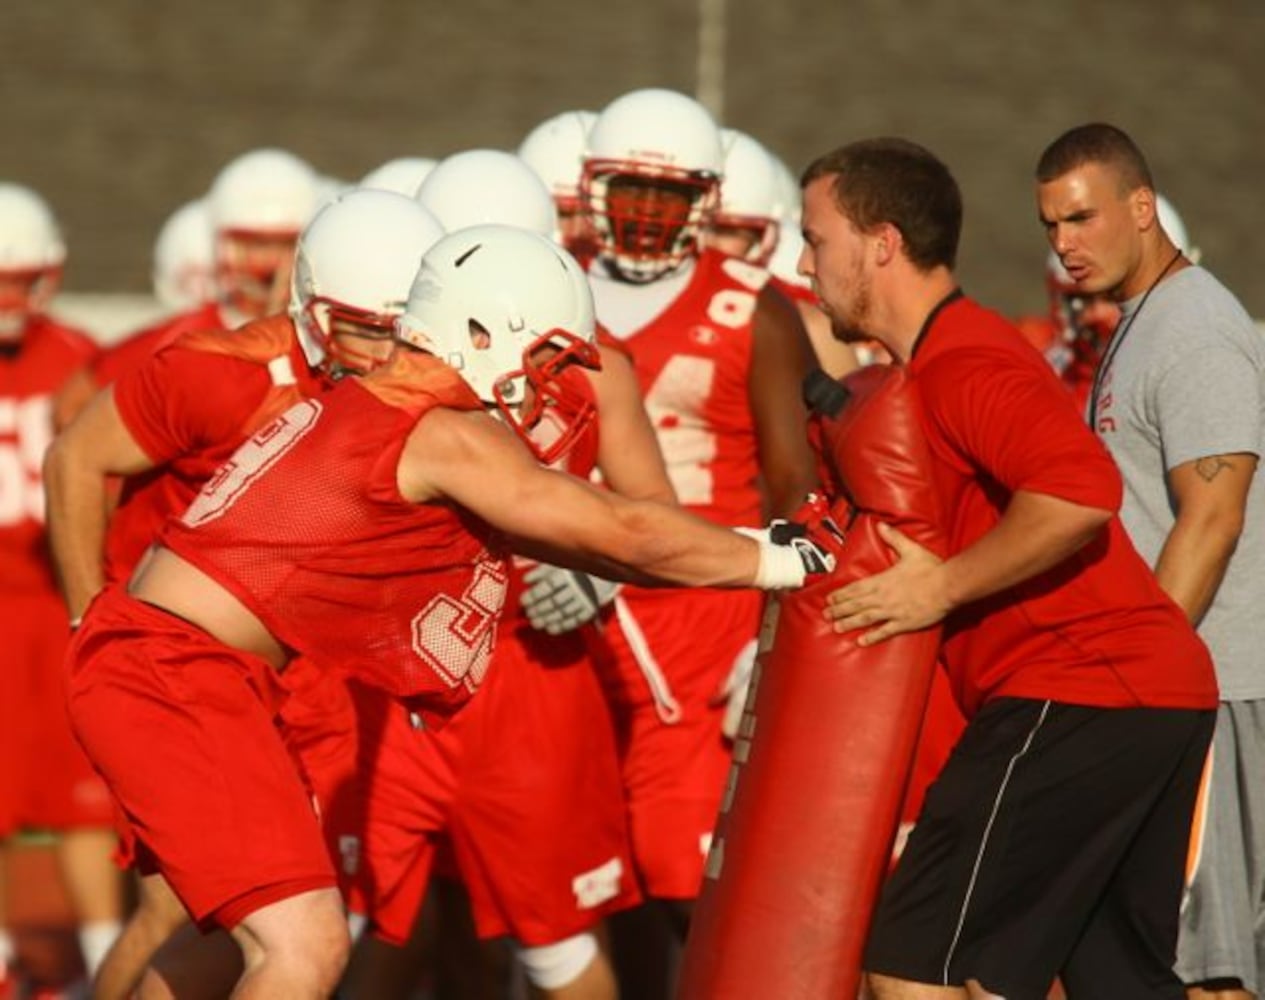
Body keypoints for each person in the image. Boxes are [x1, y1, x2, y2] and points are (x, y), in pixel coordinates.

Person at [61, 224, 829, 999]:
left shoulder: (376, 404)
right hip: (180, 670)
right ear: (482, 331)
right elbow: (625, 528)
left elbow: (599, 544)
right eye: (544, 355)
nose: (547, 380)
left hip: (170, 663)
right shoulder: (434, 431)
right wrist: (778, 557)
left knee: (233, 942)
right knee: (307, 945)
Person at [800, 137, 1219, 998]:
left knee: (910, 969)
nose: (807, 265)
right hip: (1143, 694)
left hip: (1079, 690)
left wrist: (940, 587)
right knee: (1116, 983)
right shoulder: (934, 363)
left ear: (880, 243)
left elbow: (1079, 491)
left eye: (816, 240)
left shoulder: (962, 362)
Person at [44, 188, 447, 999]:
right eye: (365, 326)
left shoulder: (422, 391)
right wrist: (93, 615)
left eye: (401, 332)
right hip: (189, 675)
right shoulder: (219, 373)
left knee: (283, 927)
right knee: (189, 915)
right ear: (312, 305)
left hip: (314, 688)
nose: (381, 353)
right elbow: (75, 458)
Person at [521, 86, 818, 996]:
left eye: (670, 196)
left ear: (705, 201)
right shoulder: (541, 278)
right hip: (557, 618)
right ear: (591, 190)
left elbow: (798, 488)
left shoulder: (754, 310)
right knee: (583, 879)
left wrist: (775, 632)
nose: (647, 216)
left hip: (697, 627)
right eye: (629, 191)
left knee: (684, 872)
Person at [1036, 122, 1265, 1000]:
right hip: (1177, 682)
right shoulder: (1146, 321)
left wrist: (1138, 673)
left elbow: (1212, 519)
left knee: (1208, 970)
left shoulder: (1195, 330)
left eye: (1081, 219)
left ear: (1140, 207)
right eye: (1050, 225)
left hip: (1204, 686)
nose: (1063, 244)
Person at [0, 182, 120, 997]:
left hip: (57, 595)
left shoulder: (79, 350)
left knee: (88, 795)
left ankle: (110, 953)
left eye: (22, 277)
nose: (11, 297)